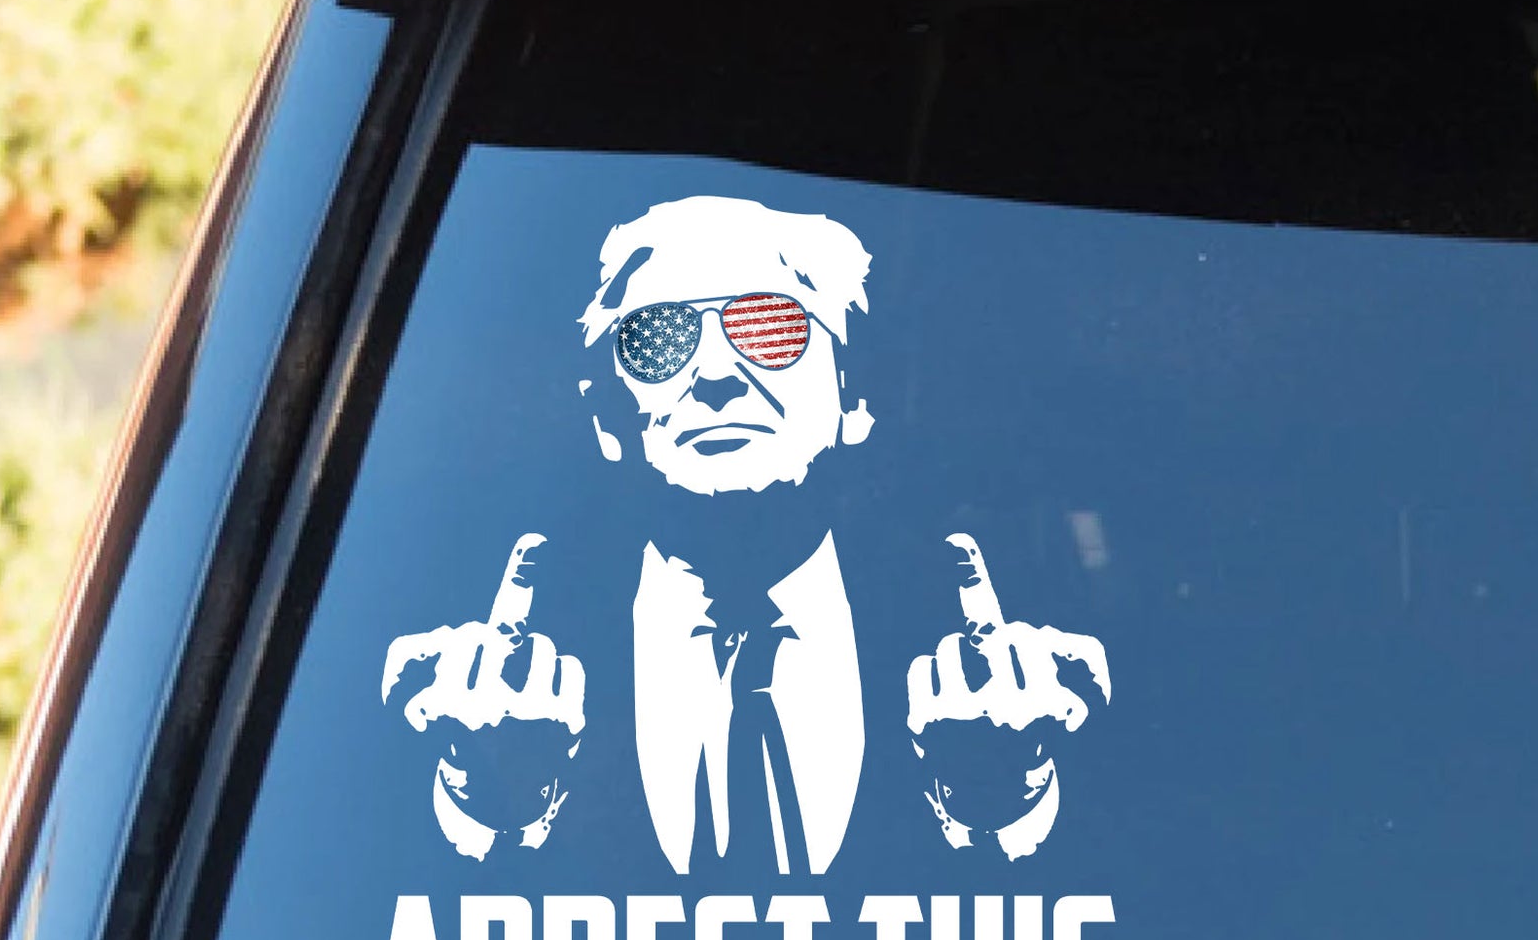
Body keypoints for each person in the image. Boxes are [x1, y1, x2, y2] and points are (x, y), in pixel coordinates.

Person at [382, 195, 1109, 871]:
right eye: (658, 338)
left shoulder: (980, 649)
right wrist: (484, 784)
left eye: (770, 325)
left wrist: (1006, 787)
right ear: (605, 415)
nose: (715, 375)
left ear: (855, 394)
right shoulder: (509, 660)